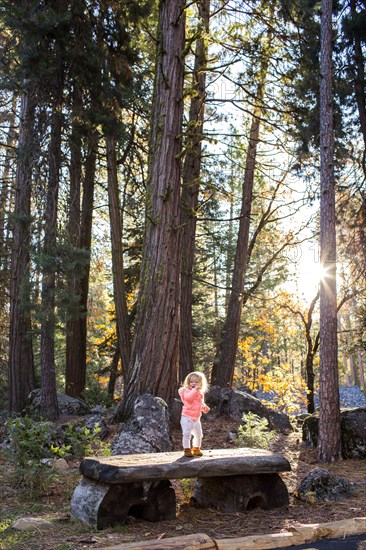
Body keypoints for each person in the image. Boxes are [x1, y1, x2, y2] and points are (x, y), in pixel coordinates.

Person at [178, 371, 210, 457]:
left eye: (196, 382)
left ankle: (196, 448)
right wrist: (195, 389)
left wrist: (204, 407)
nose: (194, 384)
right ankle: (187, 449)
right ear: (188, 383)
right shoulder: (186, 391)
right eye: (191, 382)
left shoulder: (200, 393)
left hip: (196, 418)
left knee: (199, 434)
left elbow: (200, 403)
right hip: (187, 417)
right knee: (187, 433)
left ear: (201, 383)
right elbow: (189, 398)